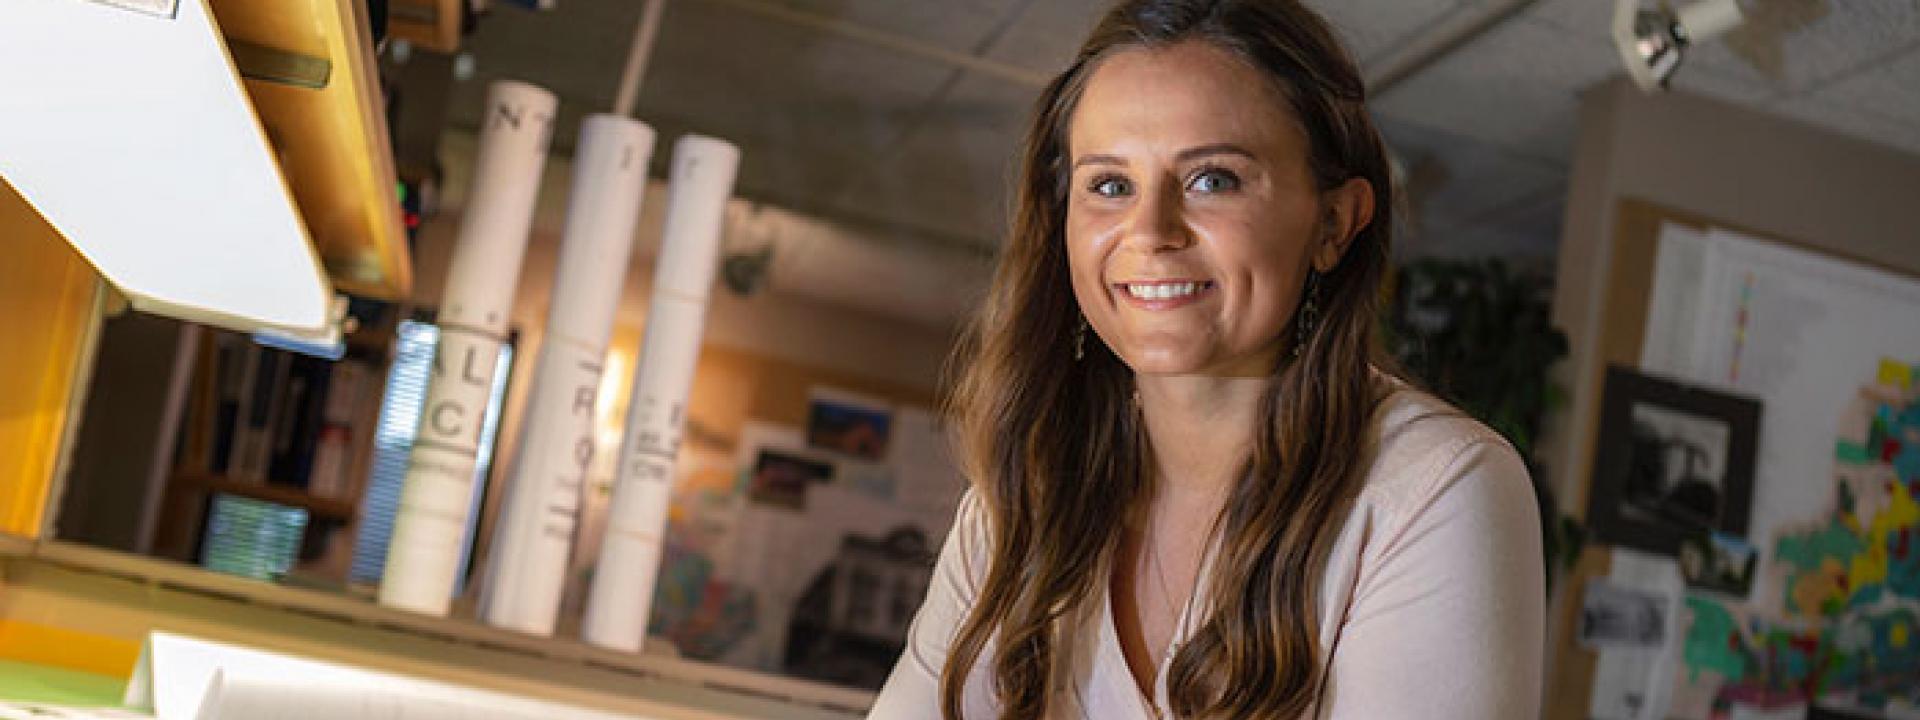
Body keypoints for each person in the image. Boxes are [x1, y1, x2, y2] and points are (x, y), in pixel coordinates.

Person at [867, 0, 1544, 718]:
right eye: (1109, 184)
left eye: (1212, 179)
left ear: (1334, 224)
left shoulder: (1433, 489)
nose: (1150, 231)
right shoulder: (1026, 498)